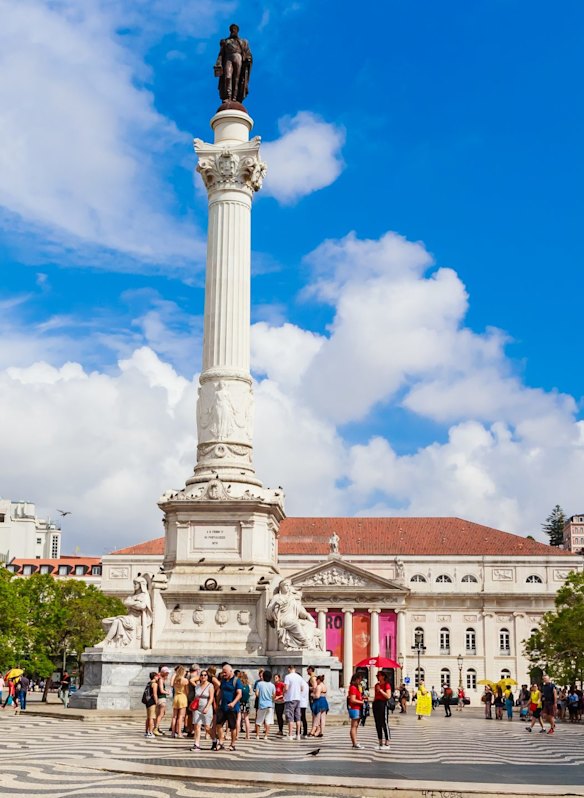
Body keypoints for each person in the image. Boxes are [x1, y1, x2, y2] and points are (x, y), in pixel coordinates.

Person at [216, 662, 243, 751]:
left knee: (232, 727)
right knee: (218, 724)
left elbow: (239, 694)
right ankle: (221, 742)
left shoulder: (236, 681)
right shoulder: (223, 680)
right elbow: (220, 692)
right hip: (223, 707)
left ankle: (233, 744)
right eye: (223, 672)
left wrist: (233, 703)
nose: (224, 674)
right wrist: (217, 703)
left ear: (230, 671)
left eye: (225, 672)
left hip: (232, 708)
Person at [190, 670, 214, 751]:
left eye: (205, 675)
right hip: (197, 708)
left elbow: (211, 698)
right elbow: (195, 696)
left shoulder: (210, 686)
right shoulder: (197, 686)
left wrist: (207, 707)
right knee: (197, 725)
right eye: (202, 675)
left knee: (207, 727)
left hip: (206, 707)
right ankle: (196, 744)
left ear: (207, 677)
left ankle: (214, 739)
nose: (203, 676)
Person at [283, 664, 306, 741]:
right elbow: (302, 688)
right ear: (295, 669)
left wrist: (284, 692)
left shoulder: (288, 676)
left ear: (289, 669)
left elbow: (286, 688)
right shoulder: (300, 677)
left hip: (290, 698)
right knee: (298, 717)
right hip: (298, 698)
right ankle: (298, 735)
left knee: (290, 717)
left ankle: (290, 735)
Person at [254, 669, 275, 740]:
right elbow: (274, 696)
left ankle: (257, 735)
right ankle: (266, 736)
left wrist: (261, 696)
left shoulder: (259, 684)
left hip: (261, 705)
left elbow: (256, 694)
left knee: (259, 721)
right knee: (268, 721)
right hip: (269, 705)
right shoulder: (272, 685)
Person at [372, 671, 391, 749]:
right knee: (377, 723)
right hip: (376, 704)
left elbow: (388, 696)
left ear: (383, 676)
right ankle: (380, 742)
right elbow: (375, 695)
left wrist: (381, 690)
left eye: (378, 675)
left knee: (384, 722)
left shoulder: (387, 685)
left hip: (383, 704)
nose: (377, 677)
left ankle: (387, 742)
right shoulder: (376, 685)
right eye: (377, 675)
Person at [171, 665, 189, 738]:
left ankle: (172, 733)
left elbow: (171, 685)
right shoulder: (185, 680)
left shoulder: (175, 679)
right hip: (182, 696)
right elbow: (187, 691)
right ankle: (179, 733)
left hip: (176, 696)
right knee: (181, 716)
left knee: (174, 716)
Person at [348, 673, 365, 749]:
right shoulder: (353, 688)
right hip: (355, 708)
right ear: (356, 679)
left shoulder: (356, 688)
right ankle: (354, 743)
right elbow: (352, 699)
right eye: (360, 679)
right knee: (354, 726)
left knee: (355, 726)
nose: (360, 681)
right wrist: (362, 702)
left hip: (356, 708)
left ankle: (355, 742)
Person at [153, 666, 170, 736]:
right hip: (161, 699)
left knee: (160, 714)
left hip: (160, 699)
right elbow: (161, 690)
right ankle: (156, 728)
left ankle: (157, 727)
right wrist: (167, 692)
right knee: (161, 714)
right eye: (167, 673)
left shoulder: (160, 679)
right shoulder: (160, 680)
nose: (168, 674)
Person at [143, 671, 158, 738]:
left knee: (148, 717)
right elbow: (154, 694)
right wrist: (157, 702)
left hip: (147, 701)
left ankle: (146, 731)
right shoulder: (154, 684)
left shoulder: (149, 683)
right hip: (152, 702)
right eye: (157, 676)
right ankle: (150, 732)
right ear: (154, 676)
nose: (158, 677)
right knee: (151, 717)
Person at [239, 671, 251, 740]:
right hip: (246, 702)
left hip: (240, 702)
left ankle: (237, 735)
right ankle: (248, 735)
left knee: (239, 718)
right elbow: (250, 693)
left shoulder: (239, 684)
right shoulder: (248, 685)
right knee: (246, 718)